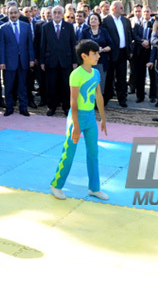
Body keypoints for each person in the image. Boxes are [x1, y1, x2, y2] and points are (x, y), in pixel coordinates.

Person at [50, 39, 108, 201]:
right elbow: (73, 101)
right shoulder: (76, 74)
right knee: (69, 153)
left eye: (98, 53)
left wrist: (102, 118)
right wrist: (75, 125)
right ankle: (56, 184)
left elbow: (98, 96)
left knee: (93, 153)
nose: (98, 56)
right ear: (84, 56)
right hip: (77, 118)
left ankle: (94, 188)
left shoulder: (96, 73)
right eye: (94, 54)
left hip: (90, 118)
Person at [40, 6, 77, 116]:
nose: (57, 14)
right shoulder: (46, 27)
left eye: (59, 12)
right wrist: (42, 61)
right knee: (51, 85)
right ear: (51, 14)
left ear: (63, 14)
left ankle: (66, 107)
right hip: (50, 61)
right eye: (54, 12)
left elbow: (73, 44)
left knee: (66, 86)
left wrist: (74, 61)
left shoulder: (69, 27)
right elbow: (43, 45)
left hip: (66, 61)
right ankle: (51, 107)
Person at [0, 6, 35, 117]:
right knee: (9, 86)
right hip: (9, 62)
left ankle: (23, 108)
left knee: (22, 86)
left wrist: (31, 59)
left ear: (19, 14)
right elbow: (1, 47)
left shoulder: (26, 26)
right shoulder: (3, 28)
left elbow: (30, 44)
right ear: (7, 14)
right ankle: (9, 108)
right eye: (11, 13)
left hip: (23, 60)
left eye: (15, 13)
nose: (13, 15)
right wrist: (1, 61)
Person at [102, 1, 133, 107]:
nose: (123, 9)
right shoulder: (106, 21)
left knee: (122, 77)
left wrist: (130, 50)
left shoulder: (126, 20)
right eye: (121, 8)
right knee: (109, 77)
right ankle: (106, 97)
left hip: (123, 52)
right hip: (111, 53)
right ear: (114, 8)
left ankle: (122, 99)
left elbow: (129, 36)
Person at [81, 12, 113, 96]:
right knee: (88, 82)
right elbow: (80, 44)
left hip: (101, 61)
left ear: (99, 21)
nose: (93, 20)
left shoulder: (104, 31)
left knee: (100, 82)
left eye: (95, 19)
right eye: (91, 19)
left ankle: (98, 102)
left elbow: (111, 45)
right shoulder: (85, 32)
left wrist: (103, 50)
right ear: (88, 21)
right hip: (88, 61)